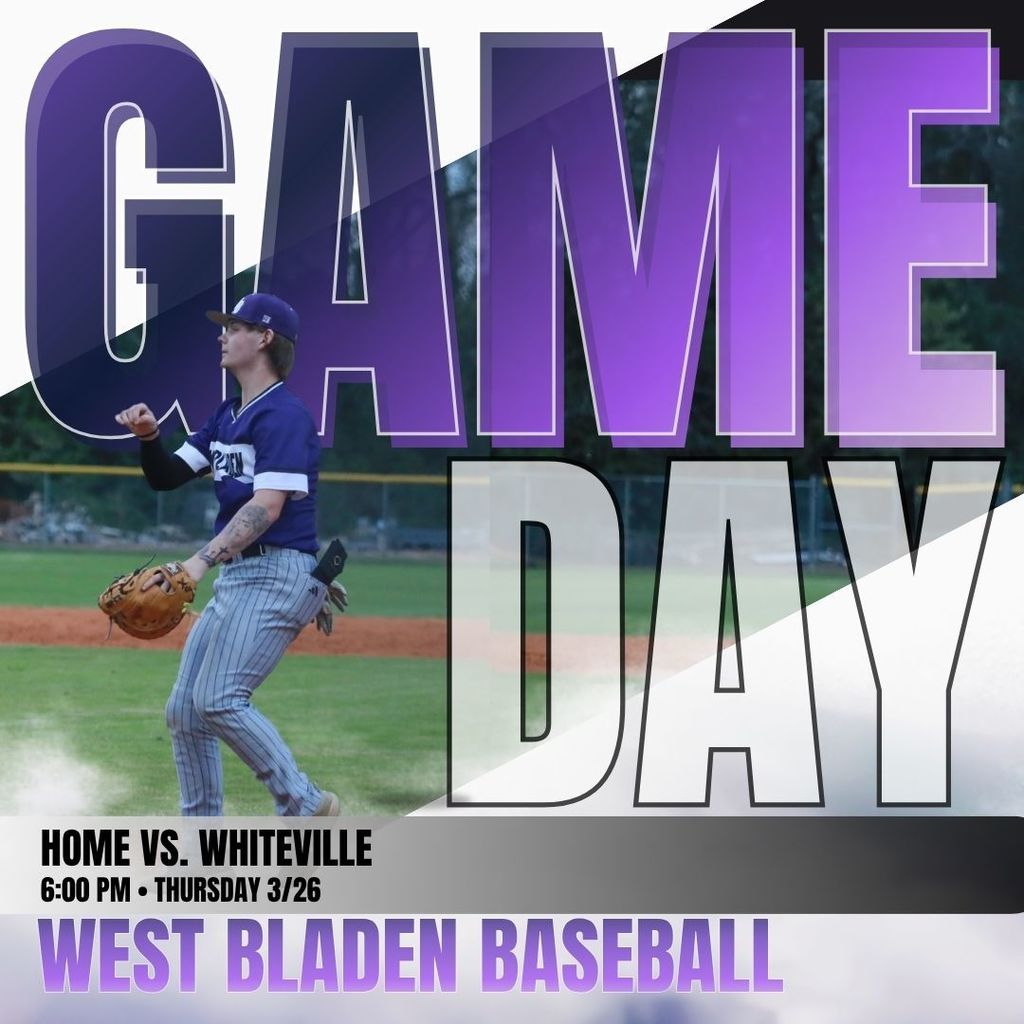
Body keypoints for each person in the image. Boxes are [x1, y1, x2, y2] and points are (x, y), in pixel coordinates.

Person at [115, 293, 340, 817]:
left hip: (273, 572)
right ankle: (202, 833)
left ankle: (306, 806)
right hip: (246, 575)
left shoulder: (283, 414)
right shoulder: (227, 415)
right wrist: (150, 438)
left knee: (217, 700)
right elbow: (168, 475)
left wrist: (197, 562)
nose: (222, 335)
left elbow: (268, 506)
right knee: (184, 712)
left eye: (234, 327)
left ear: (264, 338)